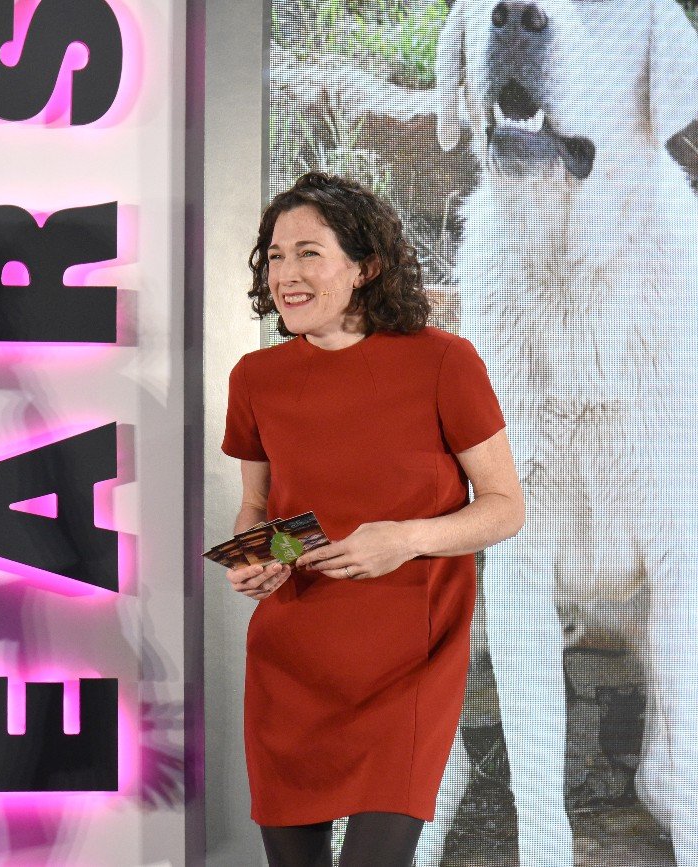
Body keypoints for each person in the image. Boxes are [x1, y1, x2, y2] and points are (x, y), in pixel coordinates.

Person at [222, 172, 524, 867]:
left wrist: (406, 538)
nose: (285, 274)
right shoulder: (255, 378)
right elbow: (265, 510)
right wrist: (254, 556)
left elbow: (506, 506)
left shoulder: (444, 360)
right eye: (274, 256)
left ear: (365, 268)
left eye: (308, 253)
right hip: (291, 663)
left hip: (409, 664)